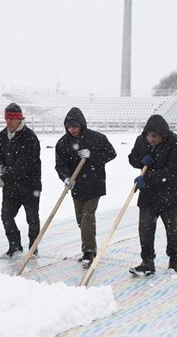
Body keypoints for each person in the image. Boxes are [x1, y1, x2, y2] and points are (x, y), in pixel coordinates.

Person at [55, 107, 117, 268]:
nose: (72, 130)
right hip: (76, 186)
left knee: (87, 217)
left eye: (75, 126)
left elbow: (111, 153)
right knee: (81, 220)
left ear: (81, 124)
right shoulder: (62, 143)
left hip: (94, 183)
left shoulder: (97, 138)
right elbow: (60, 164)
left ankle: (88, 251)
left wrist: (93, 156)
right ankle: (91, 246)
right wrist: (66, 177)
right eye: (69, 127)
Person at [128, 114, 177, 275]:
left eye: (156, 136)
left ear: (163, 134)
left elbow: (173, 171)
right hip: (149, 195)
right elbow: (132, 158)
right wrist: (141, 161)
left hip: (172, 194)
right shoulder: (141, 140)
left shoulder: (176, 143)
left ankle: (174, 262)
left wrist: (147, 178)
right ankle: (147, 262)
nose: (151, 139)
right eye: (149, 135)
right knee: (145, 229)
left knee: (173, 230)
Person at [0, 103, 42, 258]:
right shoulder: (2, 135)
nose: (8, 122)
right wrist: (0, 165)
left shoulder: (30, 137)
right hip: (11, 187)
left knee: (32, 218)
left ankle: (33, 249)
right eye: (6, 118)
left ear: (19, 119)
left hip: (30, 185)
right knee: (6, 216)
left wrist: (4, 177)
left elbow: (23, 165)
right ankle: (14, 246)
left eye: (12, 119)